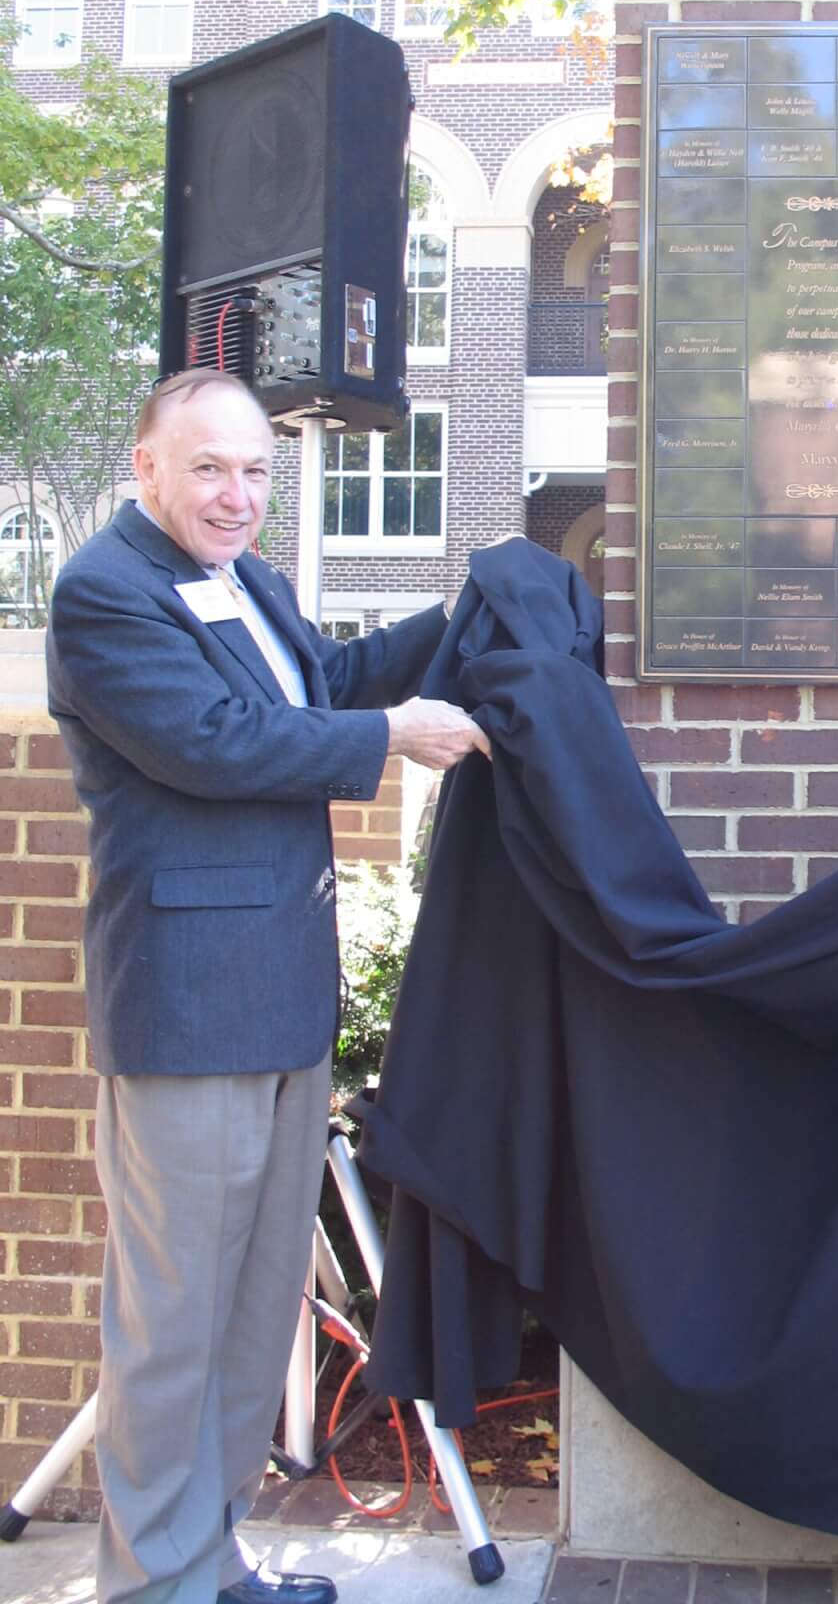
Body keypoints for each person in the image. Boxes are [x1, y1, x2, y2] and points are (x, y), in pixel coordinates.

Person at [46, 369, 490, 1604]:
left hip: (283, 997)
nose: (238, 495)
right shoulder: (106, 594)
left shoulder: (249, 582)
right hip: (187, 1012)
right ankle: (152, 1583)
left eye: (254, 470)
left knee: (251, 1319)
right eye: (209, 469)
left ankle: (210, 1556)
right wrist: (396, 737)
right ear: (146, 466)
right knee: (172, 1325)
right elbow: (216, 741)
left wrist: (467, 612)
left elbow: (325, 682)